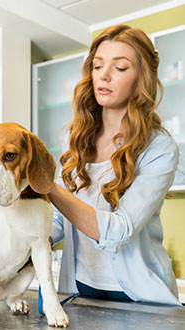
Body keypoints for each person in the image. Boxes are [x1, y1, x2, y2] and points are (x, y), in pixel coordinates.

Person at [48, 24, 181, 305]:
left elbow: (120, 231)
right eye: (97, 66)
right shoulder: (73, 137)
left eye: (120, 68)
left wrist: (48, 187)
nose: (104, 76)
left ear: (140, 79)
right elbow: (59, 219)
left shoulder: (159, 148)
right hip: (79, 289)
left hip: (138, 297)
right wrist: (25, 239)